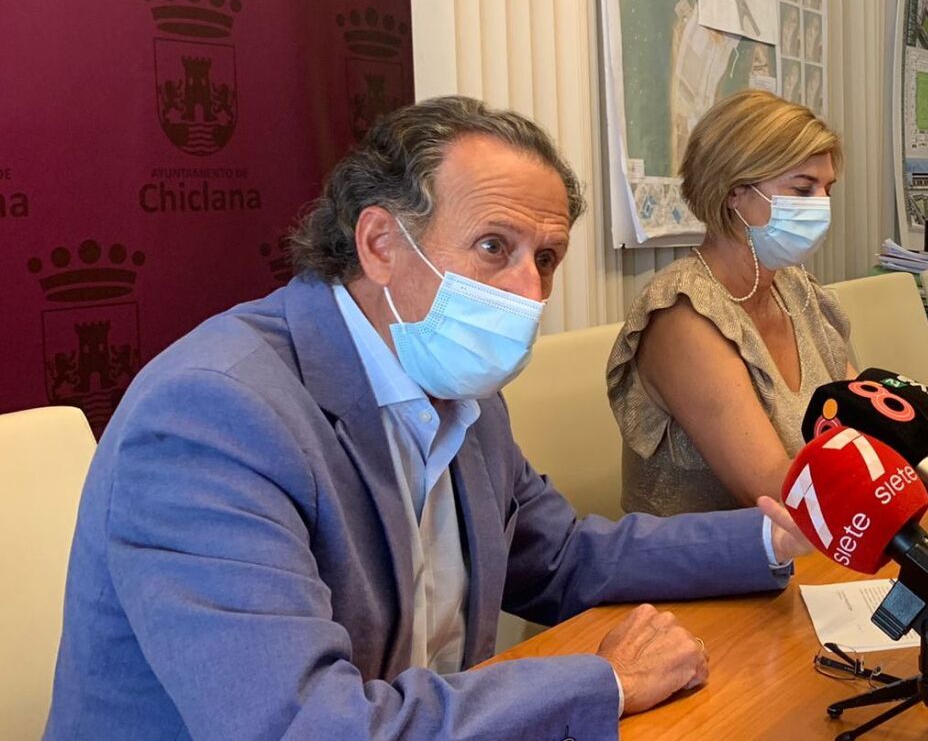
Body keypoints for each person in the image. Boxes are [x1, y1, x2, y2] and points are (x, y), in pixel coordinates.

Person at [46, 96, 812, 740]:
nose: (529, 292)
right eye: (494, 246)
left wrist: (774, 538)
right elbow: (307, 726)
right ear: (381, 243)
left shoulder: (460, 388)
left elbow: (559, 559)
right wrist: (603, 681)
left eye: (545, 258)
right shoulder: (213, 414)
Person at [607, 90, 928, 517]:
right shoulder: (683, 317)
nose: (821, 205)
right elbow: (780, 494)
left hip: (813, 555)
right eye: (802, 189)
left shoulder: (796, 291)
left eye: (827, 190)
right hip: (719, 577)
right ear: (734, 192)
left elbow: (875, 434)